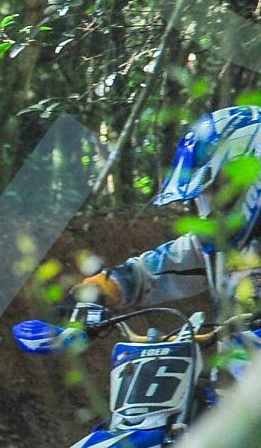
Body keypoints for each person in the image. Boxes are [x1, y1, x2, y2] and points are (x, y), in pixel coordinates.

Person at [15, 105, 261, 368]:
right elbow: (145, 273)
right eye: (203, 197)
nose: (208, 208)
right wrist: (81, 305)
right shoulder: (215, 247)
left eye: (217, 191)